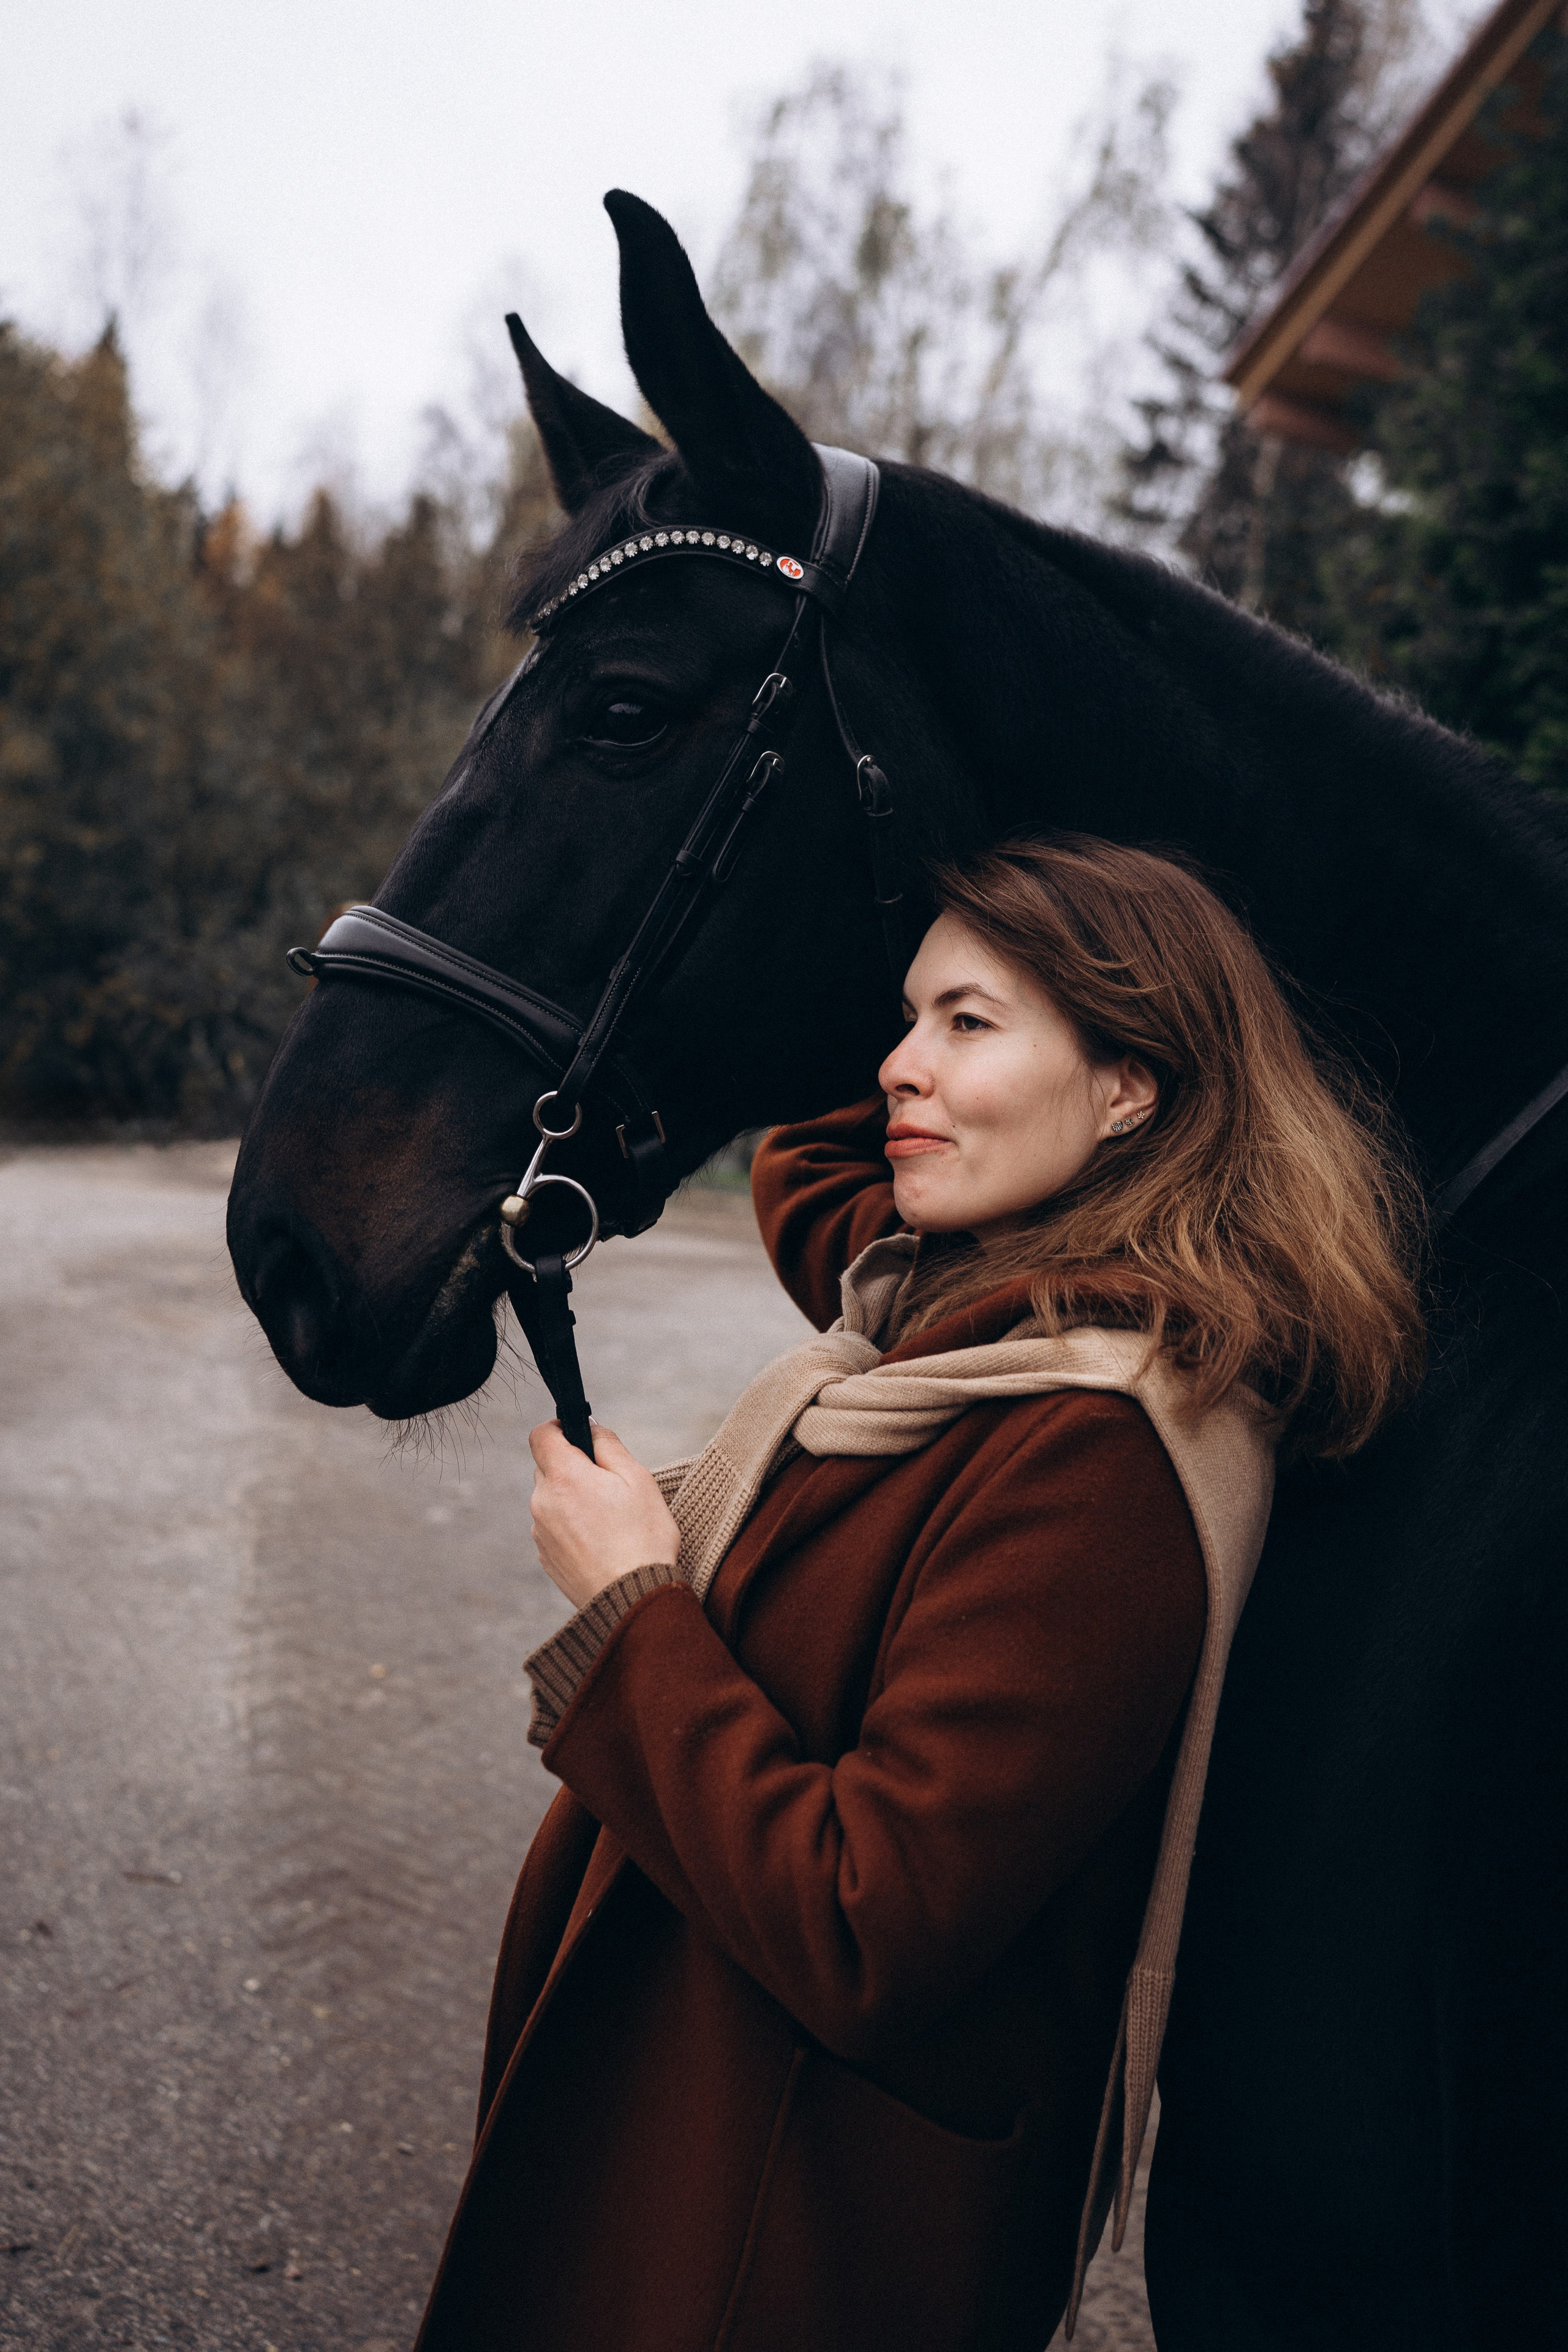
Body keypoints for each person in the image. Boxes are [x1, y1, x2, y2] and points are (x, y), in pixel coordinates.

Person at [414, 835, 1425, 2352]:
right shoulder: (958, 1304)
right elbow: (809, 1160)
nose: (895, 1066)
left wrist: (631, 1605)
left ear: (1129, 1084)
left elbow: (862, 1923)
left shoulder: (1094, 1452)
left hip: (776, 2239)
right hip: (714, 2141)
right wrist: (936, 899)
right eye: (903, 1017)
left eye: (965, 1022)